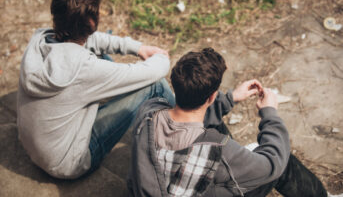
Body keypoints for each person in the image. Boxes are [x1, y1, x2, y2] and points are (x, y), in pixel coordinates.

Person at [17, 0, 174, 179]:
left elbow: (91, 41)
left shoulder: (40, 39)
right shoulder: (85, 68)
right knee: (155, 86)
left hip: (40, 149)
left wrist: (138, 47)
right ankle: (193, 125)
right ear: (92, 23)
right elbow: (153, 72)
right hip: (68, 162)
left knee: (100, 55)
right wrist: (162, 57)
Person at [127, 48, 328, 197]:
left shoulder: (148, 112)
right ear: (212, 97)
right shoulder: (219, 151)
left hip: (159, 187)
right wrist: (270, 113)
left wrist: (231, 98)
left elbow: (190, 117)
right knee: (283, 164)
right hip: (205, 179)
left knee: (211, 127)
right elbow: (273, 163)